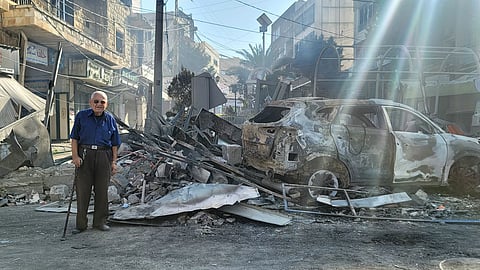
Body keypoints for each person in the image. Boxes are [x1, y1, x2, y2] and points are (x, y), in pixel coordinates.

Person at [69, 91, 121, 234]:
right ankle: (81, 225)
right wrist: (75, 156)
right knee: (83, 191)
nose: (99, 104)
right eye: (96, 101)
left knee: (102, 191)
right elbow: (74, 138)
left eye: (102, 102)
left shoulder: (110, 119)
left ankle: (99, 222)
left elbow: (115, 144)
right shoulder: (81, 116)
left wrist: (114, 162)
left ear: (106, 104)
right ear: (90, 103)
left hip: (104, 155)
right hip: (85, 155)